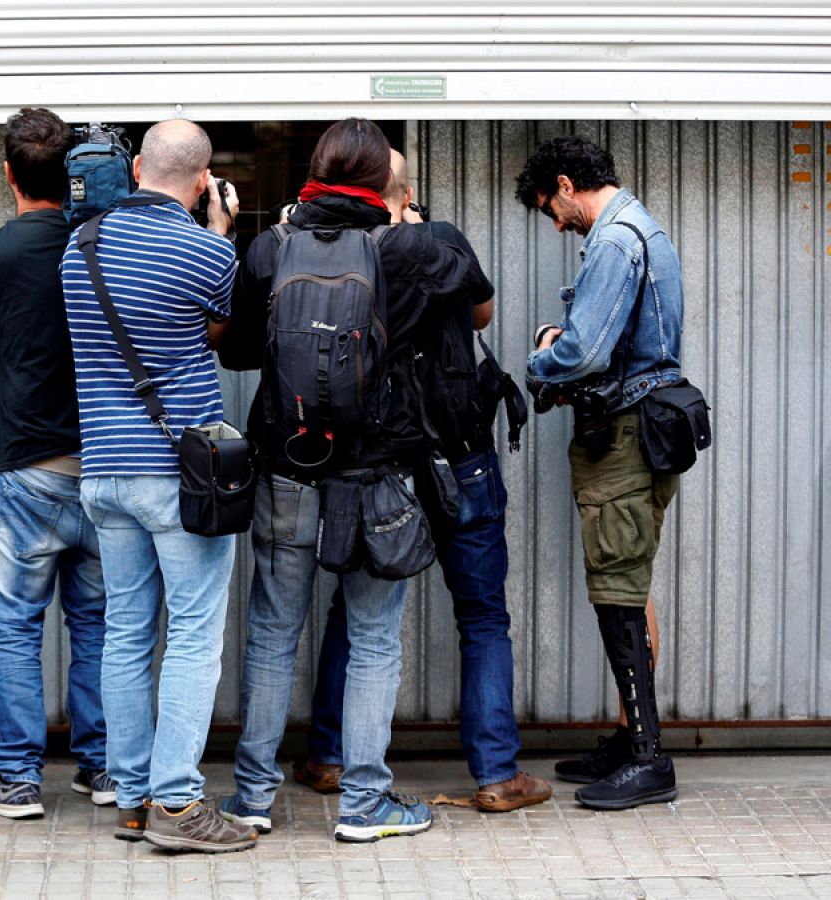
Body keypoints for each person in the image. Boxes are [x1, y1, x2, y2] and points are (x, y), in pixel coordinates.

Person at [216, 118, 490, 843]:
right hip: (380, 478)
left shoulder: (271, 247)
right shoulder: (413, 249)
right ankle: (366, 807)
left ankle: (250, 798)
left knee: (273, 634)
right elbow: (475, 305)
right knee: (373, 640)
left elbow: (241, 351)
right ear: (384, 184)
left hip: (287, 466)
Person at [292, 150, 552, 815]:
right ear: (406, 193)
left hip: (384, 467)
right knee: (484, 618)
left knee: (355, 611)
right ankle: (497, 774)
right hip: (460, 455)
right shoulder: (438, 243)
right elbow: (482, 315)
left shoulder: (336, 252)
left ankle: (326, 755)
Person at [61, 118, 255, 853]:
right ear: (203, 180)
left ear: (136, 166)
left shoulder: (75, 252)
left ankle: (133, 797)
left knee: (126, 634)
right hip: (179, 474)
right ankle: (179, 805)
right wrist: (221, 231)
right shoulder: (209, 253)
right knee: (194, 636)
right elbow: (212, 334)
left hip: (104, 472)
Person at [515, 135, 684, 810]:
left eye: (549, 208)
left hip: (622, 437)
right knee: (630, 581)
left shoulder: (614, 241)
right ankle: (629, 736)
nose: (554, 223)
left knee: (618, 588)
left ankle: (648, 759)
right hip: (647, 429)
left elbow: (585, 351)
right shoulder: (645, 228)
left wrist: (542, 353)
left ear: (565, 184)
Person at [0, 108, 112, 821]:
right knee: (102, 626)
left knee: (16, 626)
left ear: (10, 171)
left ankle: (16, 779)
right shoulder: (104, 244)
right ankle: (104, 767)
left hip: (27, 465)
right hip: (105, 469)